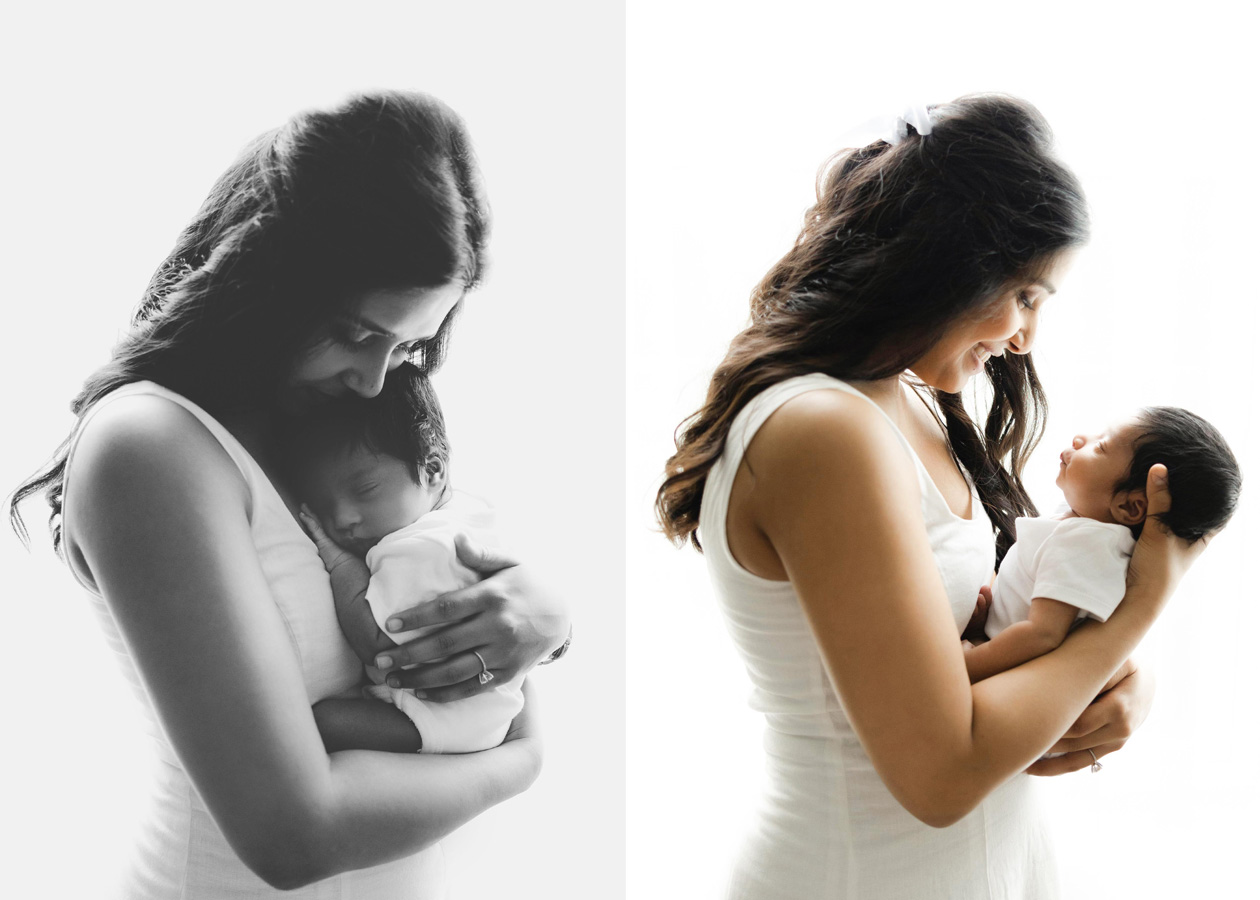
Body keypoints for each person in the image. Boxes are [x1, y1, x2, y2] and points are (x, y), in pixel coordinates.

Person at [9, 90, 569, 897]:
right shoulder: (150, 448)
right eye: (358, 333)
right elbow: (293, 835)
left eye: (409, 346)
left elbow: (426, 628)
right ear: (268, 283)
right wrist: (521, 761)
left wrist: (540, 623)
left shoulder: (332, 427)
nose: (376, 378)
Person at [655, 95, 1212, 898]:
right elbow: (942, 775)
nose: (1025, 339)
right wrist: (1136, 613)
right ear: (949, 265)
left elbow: (996, 645)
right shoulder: (824, 430)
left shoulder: (910, 402)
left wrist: (1123, 683)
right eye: (1025, 296)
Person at [287, 362, 525, 755]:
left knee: (322, 723)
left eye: (364, 489)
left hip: (449, 720)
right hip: (488, 711)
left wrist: (340, 563)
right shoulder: (466, 511)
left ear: (432, 470)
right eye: (325, 505)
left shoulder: (420, 548)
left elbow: (377, 647)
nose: (342, 519)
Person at [967, 407, 1240, 684]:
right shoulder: (1081, 524)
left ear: (1129, 506)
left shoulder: (1085, 543)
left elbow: (1042, 634)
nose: (1079, 439)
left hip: (1006, 678)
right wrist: (988, 619)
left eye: (1101, 446)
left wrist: (963, 666)